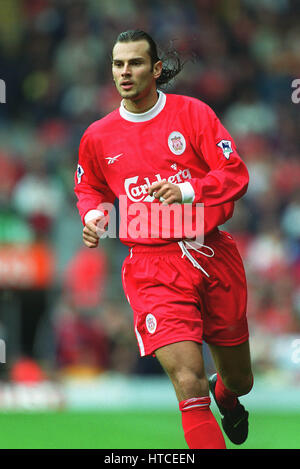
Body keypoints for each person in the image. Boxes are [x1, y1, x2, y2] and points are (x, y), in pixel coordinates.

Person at [74, 29, 253, 449]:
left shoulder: (193, 114)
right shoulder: (97, 136)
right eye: (118, 64)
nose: (125, 71)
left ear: (155, 69)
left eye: (135, 63)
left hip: (210, 251)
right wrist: (96, 216)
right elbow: (90, 189)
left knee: (240, 379)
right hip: (152, 266)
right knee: (189, 383)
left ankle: (225, 392)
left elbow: (236, 174)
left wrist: (187, 190)